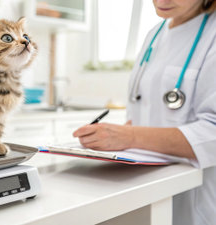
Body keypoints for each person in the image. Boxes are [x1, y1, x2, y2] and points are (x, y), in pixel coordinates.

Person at [72, 0, 216, 224]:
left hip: (194, 199)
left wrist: (131, 137)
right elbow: (144, 109)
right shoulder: (155, 33)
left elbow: (212, 134)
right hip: (142, 188)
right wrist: (114, 138)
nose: (161, 1)